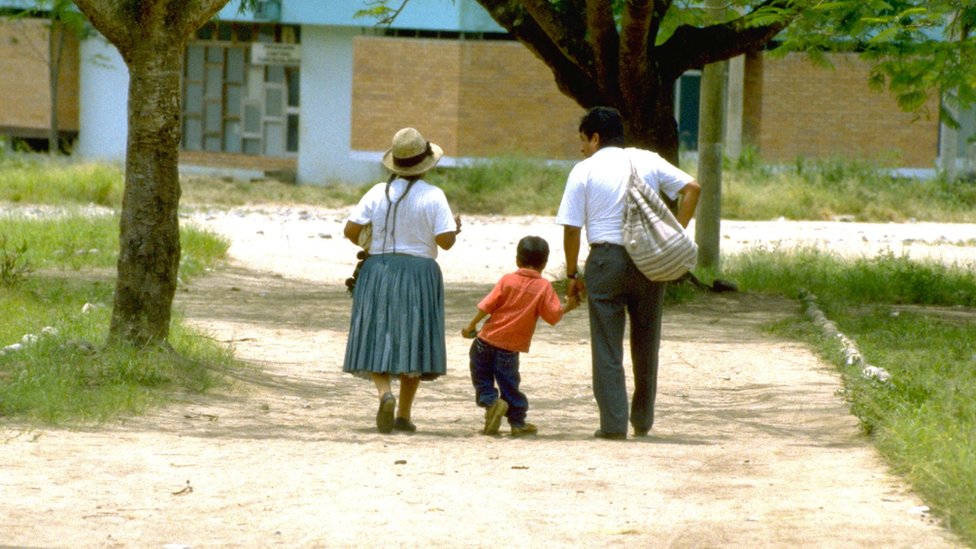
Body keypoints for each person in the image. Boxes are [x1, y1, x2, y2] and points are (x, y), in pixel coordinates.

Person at [555, 106, 701, 440]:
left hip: (606, 260)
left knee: (607, 345)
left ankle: (613, 424)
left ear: (595, 137)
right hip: (650, 260)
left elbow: (572, 229)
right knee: (647, 342)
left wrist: (573, 275)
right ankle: (643, 420)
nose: (581, 148)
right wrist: (675, 234)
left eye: (583, 140)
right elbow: (693, 187)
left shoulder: (584, 170)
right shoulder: (647, 159)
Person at [342, 127, 461, 434]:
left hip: (377, 270)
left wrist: (374, 244)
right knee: (414, 338)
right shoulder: (434, 196)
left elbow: (350, 231)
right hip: (420, 272)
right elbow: (445, 242)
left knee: (375, 334)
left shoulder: (375, 193)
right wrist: (456, 228)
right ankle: (404, 415)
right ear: (425, 164)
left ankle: (384, 394)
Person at [461, 236, 579, 437]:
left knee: (481, 379)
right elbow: (552, 316)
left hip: (484, 341)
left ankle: (492, 402)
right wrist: (568, 305)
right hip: (509, 349)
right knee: (509, 385)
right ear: (544, 264)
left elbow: (487, 305)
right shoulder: (543, 287)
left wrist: (471, 325)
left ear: (517, 260)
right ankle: (517, 423)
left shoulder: (507, 279)